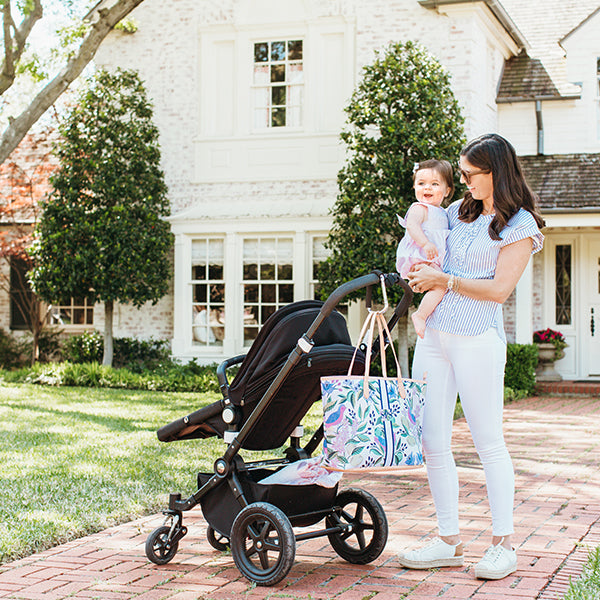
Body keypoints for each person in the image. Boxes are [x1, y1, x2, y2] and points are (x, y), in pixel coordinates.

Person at [397, 133, 545, 580]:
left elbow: (499, 290)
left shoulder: (521, 225)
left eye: (469, 174)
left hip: (478, 336)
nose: (461, 181)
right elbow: (426, 242)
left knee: (488, 442)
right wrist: (422, 271)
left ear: (495, 172)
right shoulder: (459, 213)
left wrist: (446, 279)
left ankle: (504, 545)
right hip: (435, 336)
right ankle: (448, 540)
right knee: (432, 440)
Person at [396, 159, 453, 338]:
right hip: (420, 255)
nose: (427, 188)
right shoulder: (419, 208)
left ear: (447, 190)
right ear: (414, 186)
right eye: (421, 183)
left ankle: (429, 316)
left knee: (442, 287)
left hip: (432, 258)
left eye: (434, 184)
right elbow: (412, 225)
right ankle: (420, 315)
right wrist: (425, 243)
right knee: (441, 287)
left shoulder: (444, 212)